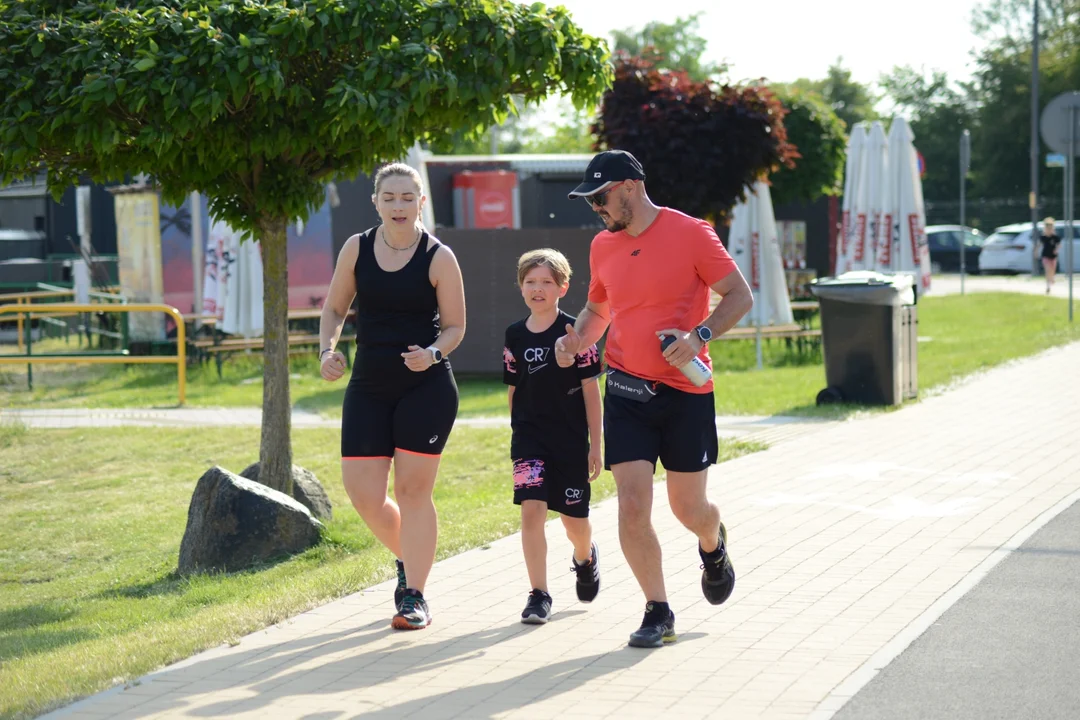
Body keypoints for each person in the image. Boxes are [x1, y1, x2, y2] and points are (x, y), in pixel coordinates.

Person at [555, 150, 754, 648]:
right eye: (589, 201)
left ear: (629, 186)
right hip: (626, 388)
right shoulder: (603, 246)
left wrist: (700, 334)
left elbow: (739, 295)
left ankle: (713, 543)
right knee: (631, 504)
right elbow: (599, 309)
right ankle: (658, 609)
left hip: (686, 391)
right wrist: (576, 339)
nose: (595, 208)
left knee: (689, 508)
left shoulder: (691, 233)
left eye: (599, 197)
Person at [319, 162, 466, 631]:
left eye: (408, 197)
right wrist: (328, 350)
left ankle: (415, 594)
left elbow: (457, 326)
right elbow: (336, 308)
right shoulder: (356, 248)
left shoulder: (439, 256)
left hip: (426, 386)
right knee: (363, 493)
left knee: (412, 491)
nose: (399, 205)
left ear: (421, 202)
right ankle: (411, 556)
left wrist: (434, 352)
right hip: (369, 384)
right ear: (377, 202)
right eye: (391, 197)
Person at [503, 249, 603, 624]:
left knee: (572, 521)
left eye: (546, 282)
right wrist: (518, 434)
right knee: (532, 511)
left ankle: (585, 556)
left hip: (571, 441)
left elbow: (592, 392)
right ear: (521, 287)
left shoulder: (578, 333)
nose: (538, 289)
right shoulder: (514, 335)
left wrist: (597, 444)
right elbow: (514, 388)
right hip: (529, 440)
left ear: (563, 287)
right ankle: (539, 594)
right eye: (530, 281)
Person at [1038, 217, 1061, 294]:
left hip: (1053, 256)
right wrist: (1035, 251)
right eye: (1047, 228)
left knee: (1052, 270)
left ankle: (1052, 278)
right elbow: (1039, 244)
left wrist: (1056, 250)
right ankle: (1048, 286)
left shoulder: (1055, 237)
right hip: (1045, 255)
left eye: (1050, 228)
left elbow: (1059, 245)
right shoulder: (1043, 237)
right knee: (1047, 270)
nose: (1049, 230)